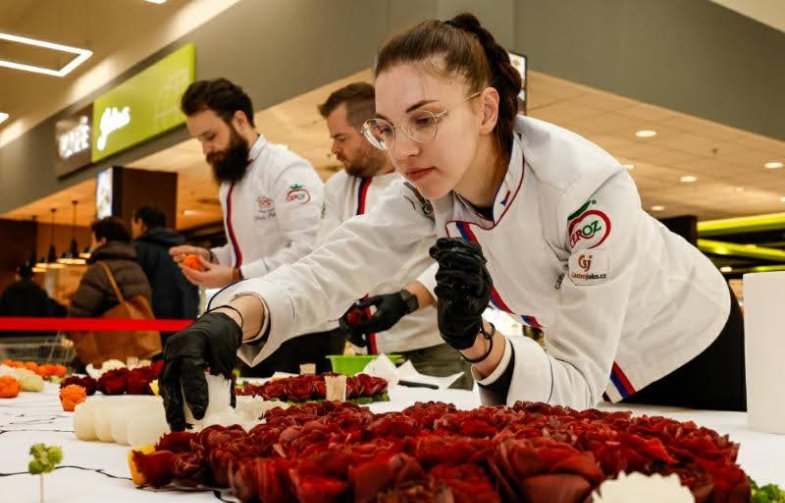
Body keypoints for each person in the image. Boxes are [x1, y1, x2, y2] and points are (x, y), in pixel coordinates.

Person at [160, 14, 744, 431]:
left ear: (486, 110)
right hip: (593, 373)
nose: (404, 151)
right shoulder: (428, 191)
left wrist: (480, 341)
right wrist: (232, 316)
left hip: (693, 344)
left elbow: (572, 387)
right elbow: (329, 270)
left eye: (425, 119)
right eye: (388, 128)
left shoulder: (587, 191)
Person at [170, 78, 345, 375]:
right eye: (199, 140)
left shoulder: (286, 169)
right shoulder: (230, 183)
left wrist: (236, 274)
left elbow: (308, 250)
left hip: (304, 329)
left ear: (239, 120)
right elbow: (247, 249)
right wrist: (212, 257)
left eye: (210, 136)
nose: (206, 150)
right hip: (257, 322)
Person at [317, 82, 470, 388]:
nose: (334, 149)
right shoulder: (336, 187)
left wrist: (406, 299)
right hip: (364, 359)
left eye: (341, 138)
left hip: (432, 350)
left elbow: (462, 255)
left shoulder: (429, 178)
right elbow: (326, 255)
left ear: (372, 132)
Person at [68, 217, 155, 366]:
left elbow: (78, 315)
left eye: (93, 240)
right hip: (137, 351)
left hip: (107, 354)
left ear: (102, 240)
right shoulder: (137, 268)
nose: (92, 246)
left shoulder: (99, 269)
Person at [132, 206, 199, 344]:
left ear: (141, 223)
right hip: (186, 318)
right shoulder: (183, 248)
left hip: (155, 323)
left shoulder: (139, 248)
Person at [0, 264, 65, 337]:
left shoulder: (8, 292)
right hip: (35, 337)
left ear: (18, 276)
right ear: (32, 277)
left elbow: (2, 313)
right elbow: (48, 316)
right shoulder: (39, 292)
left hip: (11, 336)